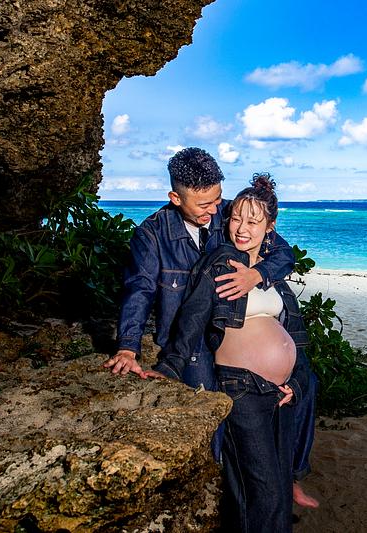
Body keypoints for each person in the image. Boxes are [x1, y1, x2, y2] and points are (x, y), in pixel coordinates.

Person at [103, 148, 318, 508]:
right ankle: (219, 492)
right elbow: (139, 290)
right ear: (176, 198)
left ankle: (292, 475)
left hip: (228, 330)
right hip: (191, 341)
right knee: (210, 412)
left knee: (306, 383)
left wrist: (257, 274)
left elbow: (282, 253)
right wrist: (128, 346)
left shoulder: (229, 215)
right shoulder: (152, 235)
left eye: (218, 199)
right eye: (204, 204)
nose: (215, 210)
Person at [148, 174, 308, 532]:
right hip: (242, 389)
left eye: (253, 222)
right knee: (262, 494)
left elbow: (297, 338)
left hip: (281, 394)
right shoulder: (220, 262)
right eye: (236, 218)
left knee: (280, 491)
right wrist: (170, 366)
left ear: (270, 228)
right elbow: (192, 317)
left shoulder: (272, 274)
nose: (241, 228)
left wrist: (296, 383)